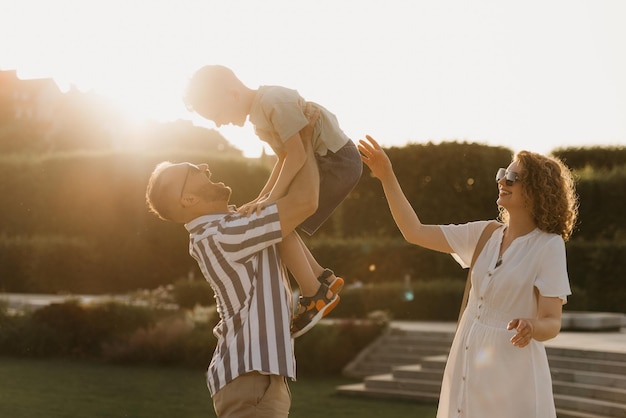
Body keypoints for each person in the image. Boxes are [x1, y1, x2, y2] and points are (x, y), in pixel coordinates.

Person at [357, 135, 578, 418]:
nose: (502, 181)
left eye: (513, 177)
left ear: (536, 190)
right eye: (502, 174)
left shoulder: (548, 246)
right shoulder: (484, 234)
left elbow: (552, 321)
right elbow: (415, 231)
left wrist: (531, 326)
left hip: (513, 374)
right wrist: (387, 176)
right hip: (467, 361)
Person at [145, 116, 321, 417]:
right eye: (193, 171)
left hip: (255, 381)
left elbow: (268, 200)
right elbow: (304, 201)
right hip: (250, 381)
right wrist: (303, 140)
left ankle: (318, 288)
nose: (204, 167)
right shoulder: (220, 236)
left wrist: (290, 144)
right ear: (188, 198)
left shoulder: (226, 227)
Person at [183, 65, 363, 337]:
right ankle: (321, 278)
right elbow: (283, 160)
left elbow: (298, 156)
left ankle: (314, 292)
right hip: (326, 159)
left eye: (217, 115)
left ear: (232, 94)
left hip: (337, 161)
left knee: (277, 221)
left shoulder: (273, 103)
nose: (220, 123)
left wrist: (271, 200)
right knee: (276, 219)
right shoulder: (259, 118)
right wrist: (262, 198)